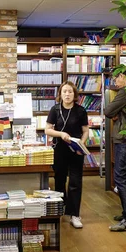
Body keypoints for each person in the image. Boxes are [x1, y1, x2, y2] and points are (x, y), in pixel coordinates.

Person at [45, 81, 89, 229]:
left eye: (70, 91)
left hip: (76, 150)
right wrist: (61, 134)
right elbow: (48, 130)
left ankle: (74, 214)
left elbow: (85, 131)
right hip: (60, 149)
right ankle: (59, 209)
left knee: (75, 182)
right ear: (60, 94)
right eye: (64, 91)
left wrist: (81, 144)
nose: (67, 94)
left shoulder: (81, 111)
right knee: (59, 180)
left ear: (74, 94)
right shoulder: (55, 109)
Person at [104, 73, 126, 232]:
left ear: (124, 77)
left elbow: (108, 110)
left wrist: (116, 112)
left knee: (120, 176)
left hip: (124, 138)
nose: (115, 82)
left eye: (117, 78)